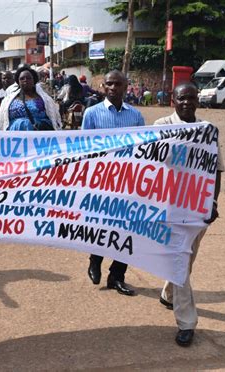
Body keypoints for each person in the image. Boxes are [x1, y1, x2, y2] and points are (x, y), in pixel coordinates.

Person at [154, 82, 225, 347]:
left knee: (187, 258)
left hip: (197, 210)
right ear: (173, 100)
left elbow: (216, 170)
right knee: (180, 258)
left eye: (191, 98)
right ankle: (187, 322)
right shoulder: (161, 127)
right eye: (181, 98)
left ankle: (168, 293)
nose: (187, 103)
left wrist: (212, 202)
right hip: (168, 208)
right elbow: (144, 162)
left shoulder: (208, 131)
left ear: (198, 100)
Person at [82, 70, 145, 296]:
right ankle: (95, 259)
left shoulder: (136, 116)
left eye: (118, 84)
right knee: (102, 224)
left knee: (126, 229)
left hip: (128, 180)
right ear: (103, 86)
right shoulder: (91, 113)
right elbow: (84, 149)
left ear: (126, 86)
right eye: (109, 83)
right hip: (100, 180)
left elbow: (143, 150)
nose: (113, 88)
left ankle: (117, 276)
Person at [0, 65, 61, 131]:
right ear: (18, 81)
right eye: (22, 78)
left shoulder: (46, 99)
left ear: (34, 80)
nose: (25, 80)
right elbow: (1, 122)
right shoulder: (8, 100)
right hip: (15, 138)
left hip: (38, 137)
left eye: (29, 78)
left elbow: (54, 119)